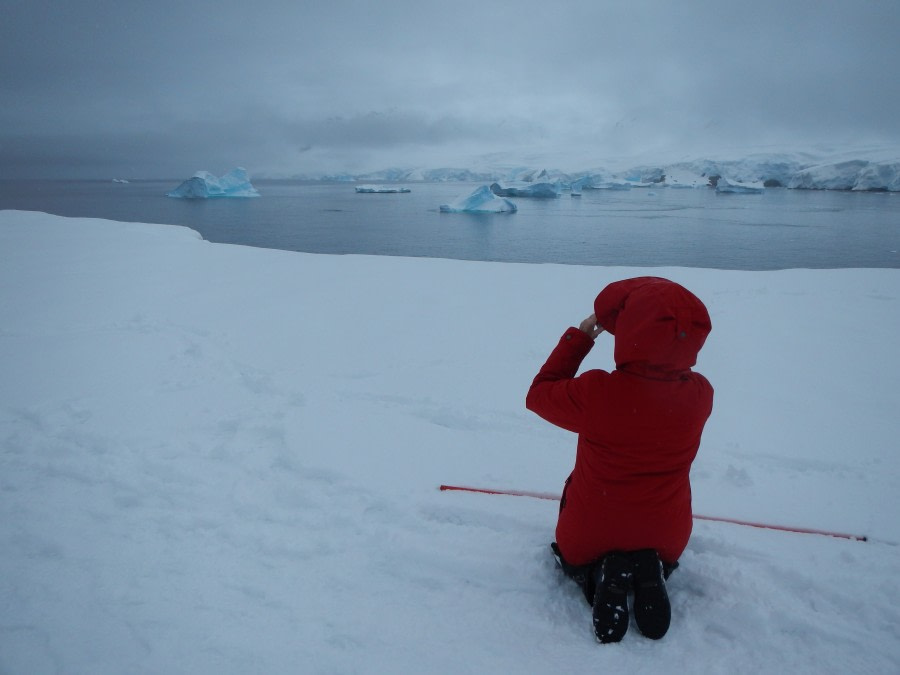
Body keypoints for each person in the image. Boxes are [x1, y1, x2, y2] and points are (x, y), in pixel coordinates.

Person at [525, 277, 713, 643]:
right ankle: (650, 567)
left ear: (629, 332)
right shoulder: (701, 395)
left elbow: (538, 395)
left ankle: (598, 576)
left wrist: (580, 338)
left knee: (580, 549)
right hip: (668, 537)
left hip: (587, 535)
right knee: (652, 538)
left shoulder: (597, 392)